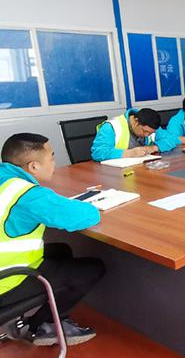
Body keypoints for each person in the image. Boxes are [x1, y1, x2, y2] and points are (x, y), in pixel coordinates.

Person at [0, 133, 104, 346]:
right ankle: (39, 326)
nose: (55, 163)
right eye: (52, 157)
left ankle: (53, 313)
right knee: (92, 269)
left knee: (61, 250)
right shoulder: (27, 195)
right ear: (33, 166)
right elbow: (84, 216)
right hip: (6, 281)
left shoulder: (6, 181)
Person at [91, 108, 180, 162]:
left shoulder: (151, 127)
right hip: (115, 174)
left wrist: (153, 148)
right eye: (145, 131)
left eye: (150, 133)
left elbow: (173, 139)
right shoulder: (111, 127)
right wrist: (129, 153)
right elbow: (98, 153)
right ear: (136, 121)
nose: (147, 135)